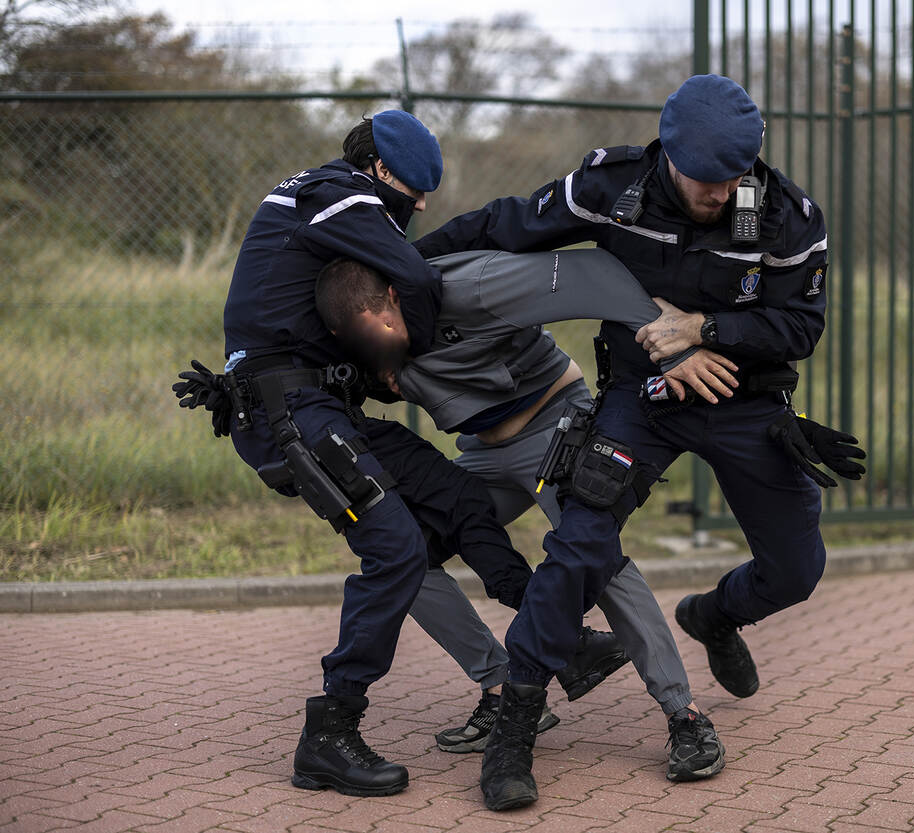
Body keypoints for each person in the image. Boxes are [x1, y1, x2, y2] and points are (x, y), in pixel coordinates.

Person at [415, 74, 866, 810]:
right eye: (706, 179)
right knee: (580, 541)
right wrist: (402, 268)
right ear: (669, 155)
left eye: (734, 178)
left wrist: (705, 329)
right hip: (641, 396)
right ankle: (518, 719)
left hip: (742, 399)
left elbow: (802, 328)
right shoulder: (610, 187)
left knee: (796, 569)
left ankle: (716, 614)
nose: (721, 193)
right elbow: (504, 224)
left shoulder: (786, 218)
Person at [172, 111, 621, 799]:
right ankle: (328, 733)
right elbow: (413, 274)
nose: (410, 216)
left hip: (323, 408)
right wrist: (409, 348)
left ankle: (561, 640)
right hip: (290, 415)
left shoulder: (323, 201)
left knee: (463, 498)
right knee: (397, 549)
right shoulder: (339, 194)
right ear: (382, 172)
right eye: (409, 202)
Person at [314, 249, 728, 783]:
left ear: (394, 297)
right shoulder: (363, 345)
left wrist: (671, 348)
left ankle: (683, 713)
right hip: (485, 450)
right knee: (402, 552)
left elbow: (589, 276)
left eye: (385, 324)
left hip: (558, 423)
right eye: (368, 337)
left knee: (597, 558)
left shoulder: (475, 286)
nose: (383, 338)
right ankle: (500, 685)